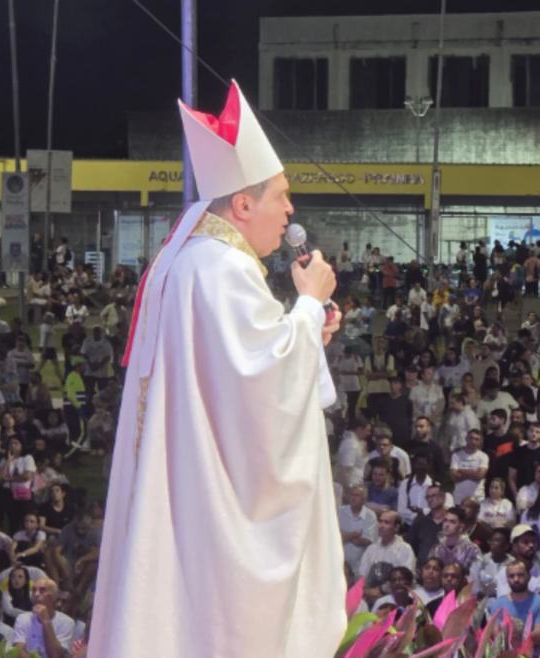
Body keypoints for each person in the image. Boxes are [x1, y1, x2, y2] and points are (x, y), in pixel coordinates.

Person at [90, 83, 346, 657]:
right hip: (205, 495)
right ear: (242, 204)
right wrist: (308, 303)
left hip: (184, 470)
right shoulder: (224, 268)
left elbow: (241, 369)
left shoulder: (192, 257)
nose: (291, 210)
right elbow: (262, 395)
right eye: (280, 195)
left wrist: (307, 331)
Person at [12, 576, 74, 658]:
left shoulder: (67, 622)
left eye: (42, 590)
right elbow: (18, 652)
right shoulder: (23, 618)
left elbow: (56, 656)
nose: (36, 594)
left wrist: (46, 622)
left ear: (55, 596)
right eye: (34, 590)